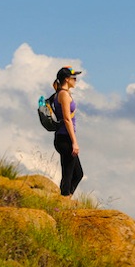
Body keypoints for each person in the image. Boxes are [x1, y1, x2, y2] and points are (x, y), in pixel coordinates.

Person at [53, 66, 84, 196]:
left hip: (63, 138)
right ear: (67, 79)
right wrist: (74, 142)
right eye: (74, 78)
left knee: (76, 173)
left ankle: (65, 198)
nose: (76, 80)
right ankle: (64, 199)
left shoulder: (61, 93)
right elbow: (66, 119)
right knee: (70, 174)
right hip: (65, 138)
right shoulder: (63, 95)